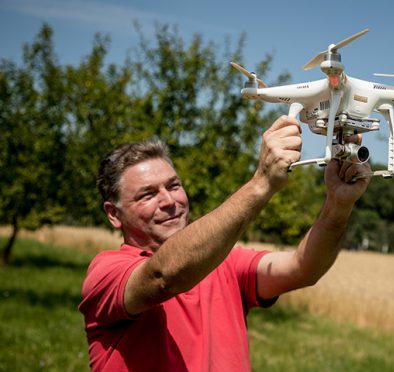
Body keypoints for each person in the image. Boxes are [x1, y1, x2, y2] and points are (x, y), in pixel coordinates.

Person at [78, 115, 371, 371]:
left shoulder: (224, 262)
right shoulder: (107, 272)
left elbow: (303, 267)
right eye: (147, 194)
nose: (169, 201)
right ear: (114, 214)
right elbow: (163, 276)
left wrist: (338, 205)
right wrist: (262, 182)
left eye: (174, 185)